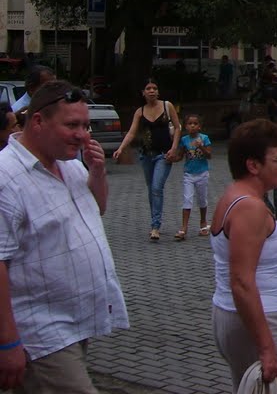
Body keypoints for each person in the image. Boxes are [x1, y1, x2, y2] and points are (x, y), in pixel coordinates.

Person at [0, 81, 129, 392]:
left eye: (86, 125)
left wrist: (97, 173)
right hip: (40, 332)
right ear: (38, 121)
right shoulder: (6, 177)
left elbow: (96, 209)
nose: (83, 134)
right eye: (72, 125)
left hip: (75, 324)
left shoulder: (69, 165)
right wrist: (8, 343)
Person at [210, 119, 277, 394]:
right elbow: (242, 281)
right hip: (258, 318)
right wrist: (268, 345)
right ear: (253, 165)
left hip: (252, 318)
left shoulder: (238, 198)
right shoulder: (249, 209)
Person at [113, 79, 182, 241]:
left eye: (154, 88)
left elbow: (178, 128)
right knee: (151, 189)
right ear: (143, 93)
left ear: (158, 92)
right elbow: (131, 133)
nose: (152, 91)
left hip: (164, 155)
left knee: (157, 187)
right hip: (146, 155)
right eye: (148, 88)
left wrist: (174, 147)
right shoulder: (140, 111)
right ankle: (154, 221)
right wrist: (121, 148)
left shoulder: (167, 106)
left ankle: (155, 226)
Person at [175, 114, 212, 241]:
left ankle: (203, 222)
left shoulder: (204, 138)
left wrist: (200, 146)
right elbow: (180, 156)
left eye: (195, 123)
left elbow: (209, 155)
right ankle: (184, 228)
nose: (192, 126)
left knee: (202, 199)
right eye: (189, 124)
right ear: (185, 126)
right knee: (187, 199)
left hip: (202, 173)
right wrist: (171, 159)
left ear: (199, 126)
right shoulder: (184, 140)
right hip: (189, 174)